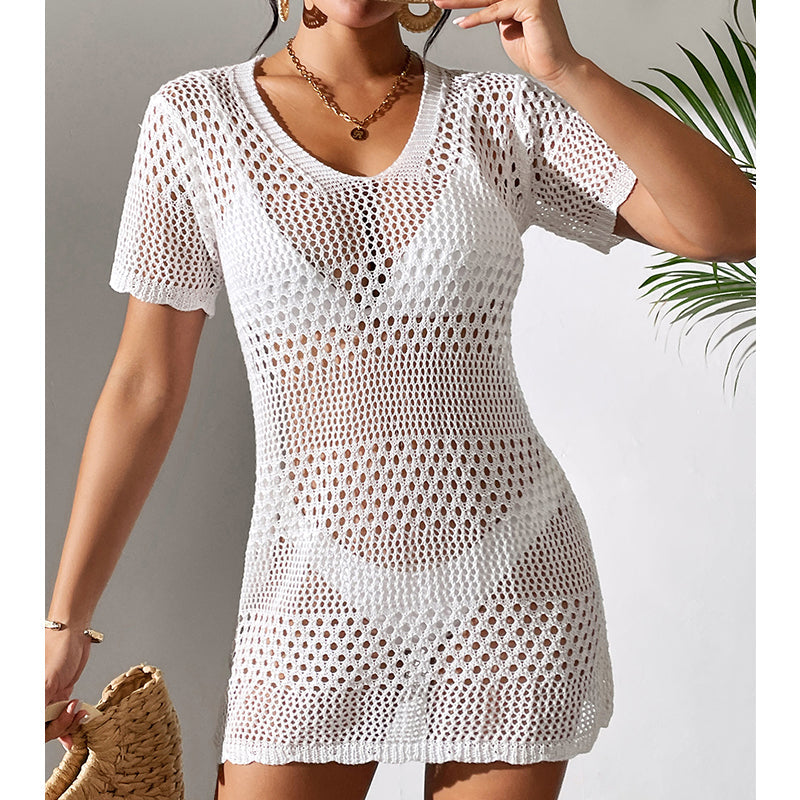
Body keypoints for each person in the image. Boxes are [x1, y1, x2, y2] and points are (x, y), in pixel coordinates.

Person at [45, 0, 756, 798]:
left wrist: (569, 70)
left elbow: (732, 227)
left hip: (511, 586)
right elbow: (145, 386)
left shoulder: (501, 113)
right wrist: (66, 619)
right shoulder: (197, 118)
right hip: (313, 592)